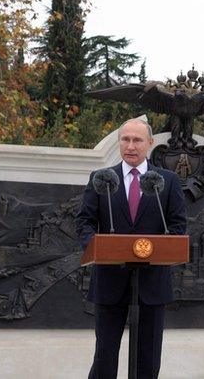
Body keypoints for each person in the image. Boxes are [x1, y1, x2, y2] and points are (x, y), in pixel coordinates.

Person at [75, 118, 187, 379]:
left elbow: (178, 226)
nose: (131, 146)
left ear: (149, 143)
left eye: (137, 140)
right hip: (109, 282)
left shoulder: (168, 182)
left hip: (152, 285)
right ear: (119, 142)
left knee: (147, 361)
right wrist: (96, 247)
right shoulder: (101, 179)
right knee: (104, 356)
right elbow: (84, 222)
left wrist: (164, 247)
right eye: (125, 139)